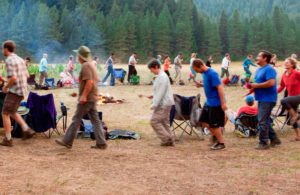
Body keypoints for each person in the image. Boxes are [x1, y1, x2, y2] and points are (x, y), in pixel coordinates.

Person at [55, 46, 107, 150]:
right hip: (92, 97)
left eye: (77, 54)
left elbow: (89, 82)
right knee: (95, 120)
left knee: (76, 119)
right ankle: (101, 143)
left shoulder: (86, 66)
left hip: (87, 98)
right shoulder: (90, 64)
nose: (76, 56)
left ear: (80, 56)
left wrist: (83, 95)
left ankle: (67, 141)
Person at [0, 40, 35, 147]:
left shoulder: (9, 60)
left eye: (3, 49)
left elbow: (14, 78)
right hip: (22, 90)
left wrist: (6, 87)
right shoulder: (20, 59)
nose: (2, 51)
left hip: (14, 91)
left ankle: (8, 139)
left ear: (6, 49)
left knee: (5, 113)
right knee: (12, 111)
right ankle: (26, 129)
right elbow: (27, 75)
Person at [247, 50, 281, 150]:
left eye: (258, 56)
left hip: (268, 99)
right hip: (261, 98)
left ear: (265, 58)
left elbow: (271, 83)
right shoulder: (259, 70)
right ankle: (274, 139)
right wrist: (251, 85)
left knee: (262, 120)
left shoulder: (269, 69)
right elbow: (258, 83)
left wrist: (256, 85)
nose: (256, 58)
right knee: (263, 120)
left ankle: (264, 142)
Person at [192, 59, 227, 150]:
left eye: (196, 70)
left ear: (200, 66)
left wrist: (223, 103)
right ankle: (216, 135)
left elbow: (220, 88)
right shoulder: (204, 73)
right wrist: (201, 85)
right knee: (203, 121)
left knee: (214, 124)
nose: (197, 72)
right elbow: (210, 84)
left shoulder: (212, 73)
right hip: (209, 102)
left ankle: (221, 143)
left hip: (216, 103)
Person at [148, 59, 175, 146]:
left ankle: (166, 139)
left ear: (156, 67)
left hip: (163, 104)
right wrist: (153, 95)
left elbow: (161, 92)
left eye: (151, 69)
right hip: (165, 102)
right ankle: (170, 139)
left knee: (154, 121)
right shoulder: (160, 76)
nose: (151, 71)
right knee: (164, 122)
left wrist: (154, 104)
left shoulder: (162, 77)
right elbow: (159, 91)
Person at [278, 58, 300, 141]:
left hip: (298, 96)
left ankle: (295, 115)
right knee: (292, 120)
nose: (285, 63)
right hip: (291, 98)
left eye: (287, 62)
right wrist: (273, 92)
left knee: (283, 100)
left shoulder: (296, 73)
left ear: (292, 64)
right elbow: (281, 86)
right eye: (285, 62)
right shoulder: (284, 74)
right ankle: (298, 136)